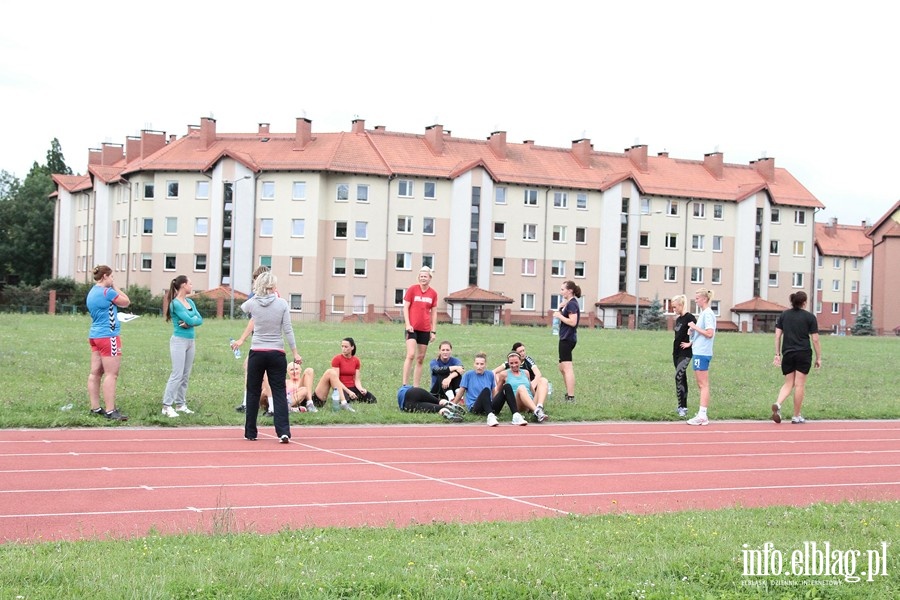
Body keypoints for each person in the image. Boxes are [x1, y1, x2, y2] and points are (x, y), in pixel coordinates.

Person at [235, 271, 302, 443]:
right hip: (276, 352)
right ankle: (283, 431)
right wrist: (295, 352)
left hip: (257, 352)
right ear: (273, 287)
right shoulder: (281, 304)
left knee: (253, 391)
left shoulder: (252, 303)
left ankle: (250, 431)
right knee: (279, 391)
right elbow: (288, 329)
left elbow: (242, 308)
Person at [86, 265, 130, 421]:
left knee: (95, 372)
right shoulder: (107, 292)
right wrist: (115, 287)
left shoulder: (92, 292)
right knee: (112, 374)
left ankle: (95, 407)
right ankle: (111, 410)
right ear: (105, 276)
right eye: (111, 277)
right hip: (108, 335)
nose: (112, 280)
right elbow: (126, 302)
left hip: (95, 335)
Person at [771, 291, 822, 424]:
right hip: (803, 353)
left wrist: (777, 354)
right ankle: (796, 415)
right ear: (804, 302)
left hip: (788, 352)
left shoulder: (784, 315)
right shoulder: (810, 317)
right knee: (799, 384)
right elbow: (815, 339)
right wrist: (818, 357)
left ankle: (778, 403)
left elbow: (777, 336)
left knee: (788, 383)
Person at [161, 275, 204, 418]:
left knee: (185, 375)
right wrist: (192, 321)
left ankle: (180, 404)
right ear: (184, 285)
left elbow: (199, 319)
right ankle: (167, 406)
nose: (192, 286)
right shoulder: (175, 303)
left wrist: (191, 322)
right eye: (190, 284)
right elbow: (188, 318)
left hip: (191, 340)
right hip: (179, 340)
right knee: (177, 374)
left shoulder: (190, 301)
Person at [233, 266, 273, 413]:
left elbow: (254, 320)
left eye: (255, 280)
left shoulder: (256, 298)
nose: (253, 284)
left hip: (262, 341)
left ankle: (269, 406)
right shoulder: (276, 296)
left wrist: (241, 339)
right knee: (249, 368)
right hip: (269, 340)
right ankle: (249, 402)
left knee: (266, 374)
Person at [453, 352, 525, 426]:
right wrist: (453, 404)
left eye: (481, 364)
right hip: (475, 407)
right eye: (477, 364)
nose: (479, 366)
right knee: (486, 390)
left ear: (485, 365)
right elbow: (461, 392)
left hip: (489, 405)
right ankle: (490, 416)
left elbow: (494, 392)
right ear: (474, 364)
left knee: (507, 386)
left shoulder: (490, 374)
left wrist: (497, 401)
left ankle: (516, 415)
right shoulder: (468, 375)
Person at [402, 266, 438, 387]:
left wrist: (433, 331)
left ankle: (416, 386)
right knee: (411, 354)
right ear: (418, 277)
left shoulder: (433, 293)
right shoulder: (412, 289)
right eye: (421, 276)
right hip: (412, 328)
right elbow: (405, 307)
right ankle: (405, 385)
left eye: (425, 276)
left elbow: (434, 313)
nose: (423, 278)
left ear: (430, 278)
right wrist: (407, 324)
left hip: (425, 329)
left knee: (420, 358)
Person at [493, 342, 550, 418]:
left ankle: (539, 408)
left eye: (516, 362)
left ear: (520, 361)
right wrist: (491, 405)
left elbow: (531, 389)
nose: (514, 365)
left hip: (531, 402)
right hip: (518, 404)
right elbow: (498, 391)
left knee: (543, 380)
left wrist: (537, 394)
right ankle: (537, 412)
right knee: (521, 388)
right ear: (508, 364)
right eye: (511, 363)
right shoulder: (504, 374)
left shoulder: (526, 372)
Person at [686, 288, 717, 426]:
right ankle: (702, 413)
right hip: (698, 351)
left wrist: (694, 326)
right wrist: (692, 332)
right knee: (701, 384)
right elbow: (701, 333)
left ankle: (703, 415)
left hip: (702, 352)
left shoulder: (708, 314)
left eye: (697, 297)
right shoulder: (704, 314)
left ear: (704, 299)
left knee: (703, 384)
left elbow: (709, 333)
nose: (695, 300)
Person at [554, 280, 581, 403]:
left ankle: (571, 397)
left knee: (567, 367)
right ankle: (568, 393)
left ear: (570, 291)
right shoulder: (568, 303)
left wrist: (559, 316)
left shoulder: (572, 304)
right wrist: (560, 309)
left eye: (563, 289)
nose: (561, 291)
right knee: (562, 367)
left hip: (568, 338)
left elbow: (573, 322)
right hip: (564, 337)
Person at [671, 294, 696, 418]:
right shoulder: (679, 319)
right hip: (676, 353)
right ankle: (681, 405)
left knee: (678, 376)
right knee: (681, 379)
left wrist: (690, 343)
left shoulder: (690, 318)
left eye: (675, 307)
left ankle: (683, 408)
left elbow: (697, 332)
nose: (673, 309)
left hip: (685, 353)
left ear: (681, 305)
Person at [331, 337, 373, 405]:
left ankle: (355, 396)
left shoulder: (356, 360)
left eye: (346, 346)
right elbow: (336, 380)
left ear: (352, 347)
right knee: (347, 402)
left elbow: (357, 380)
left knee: (372, 399)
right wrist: (349, 392)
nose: (343, 349)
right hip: (341, 388)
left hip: (352, 387)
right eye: (342, 346)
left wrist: (361, 389)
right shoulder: (337, 359)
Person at [397, 385, 464, 422]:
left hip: (407, 403)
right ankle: (446, 403)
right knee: (438, 401)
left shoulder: (401, 396)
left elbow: (402, 408)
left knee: (434, 408)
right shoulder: (406, 387)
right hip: (415, 391)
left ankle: (446, 412)